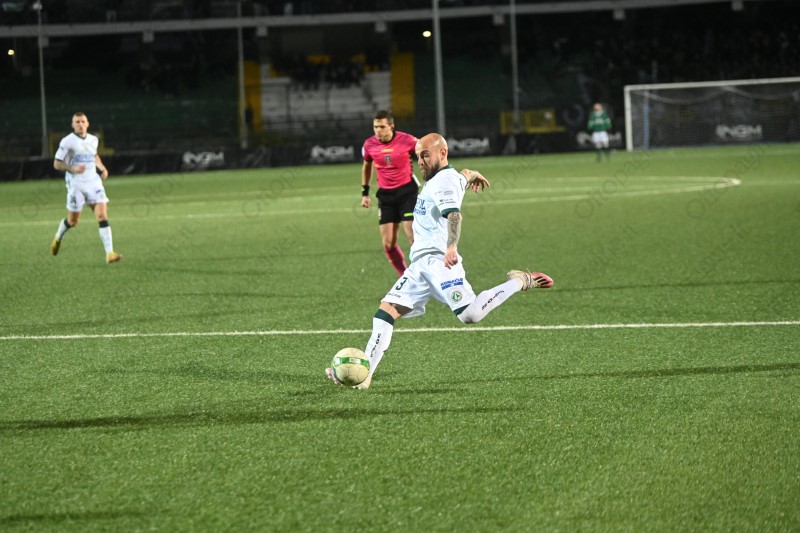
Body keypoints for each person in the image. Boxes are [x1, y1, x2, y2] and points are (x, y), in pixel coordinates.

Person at [328, 133, 554, 390]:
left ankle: (520, 281)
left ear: (442, 153)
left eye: (425, 155)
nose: (420, 162)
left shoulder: (443, 182)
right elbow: (463, 175)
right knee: (385, 313)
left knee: (470, 315)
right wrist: (472, 174)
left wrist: (451, 246)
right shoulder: (447, 177)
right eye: (417, 157)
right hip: (419, 265)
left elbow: (454, 215)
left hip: (439, 261)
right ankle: (365, 374)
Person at [50, 112, 122, 264]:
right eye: (77, 122)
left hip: (94, 182)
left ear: (88, 123)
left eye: (83, 121)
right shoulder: (67, 141)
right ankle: (58, 237)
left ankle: (110, 253)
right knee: (73, 221)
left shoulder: (93, 139)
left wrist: (102, 168)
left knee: (102, 216)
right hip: (76, 184)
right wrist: (72, 168)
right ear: (72, 125)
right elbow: (56, 163)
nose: (80, 124)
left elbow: (94, 156)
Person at [361, 110, 419, 276]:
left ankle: (423, 275)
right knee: (388, 243)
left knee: (413, 238)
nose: (378, 130)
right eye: (375, 127)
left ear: (391, 126)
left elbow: (426, 151)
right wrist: (365, 193)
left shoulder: (407, 140)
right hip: (385, 196)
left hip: (407, 192)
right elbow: (366, 166)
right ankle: (405, 277)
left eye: (382, 127)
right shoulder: (369, 145)